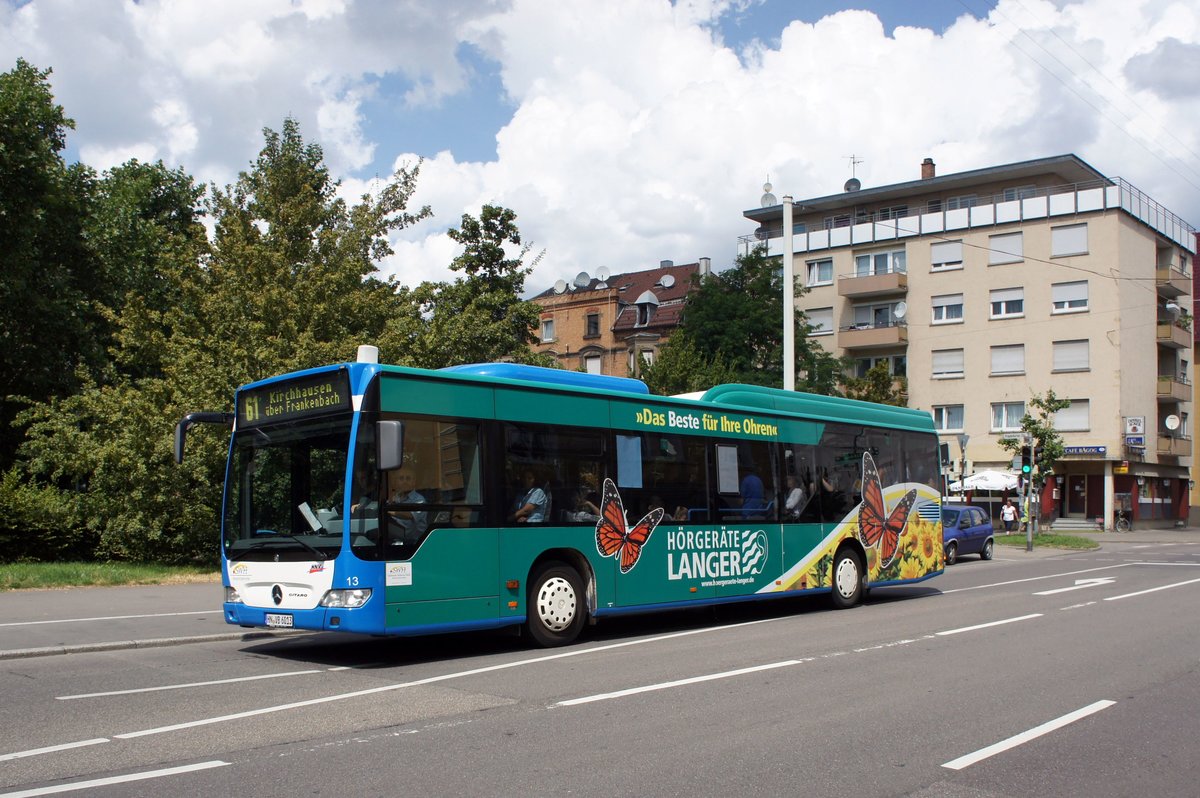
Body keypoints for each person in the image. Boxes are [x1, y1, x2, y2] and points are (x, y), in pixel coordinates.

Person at [386, 466, 428, 544]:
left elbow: (409, 516)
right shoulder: (396, 497)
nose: (405, 481)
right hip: (397, 539)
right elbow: (385, 505)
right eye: (401, 478)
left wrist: (388, 510)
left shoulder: (419, 499)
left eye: (408, 478)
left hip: (415, 544)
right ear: (396, 482)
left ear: (414, 482)